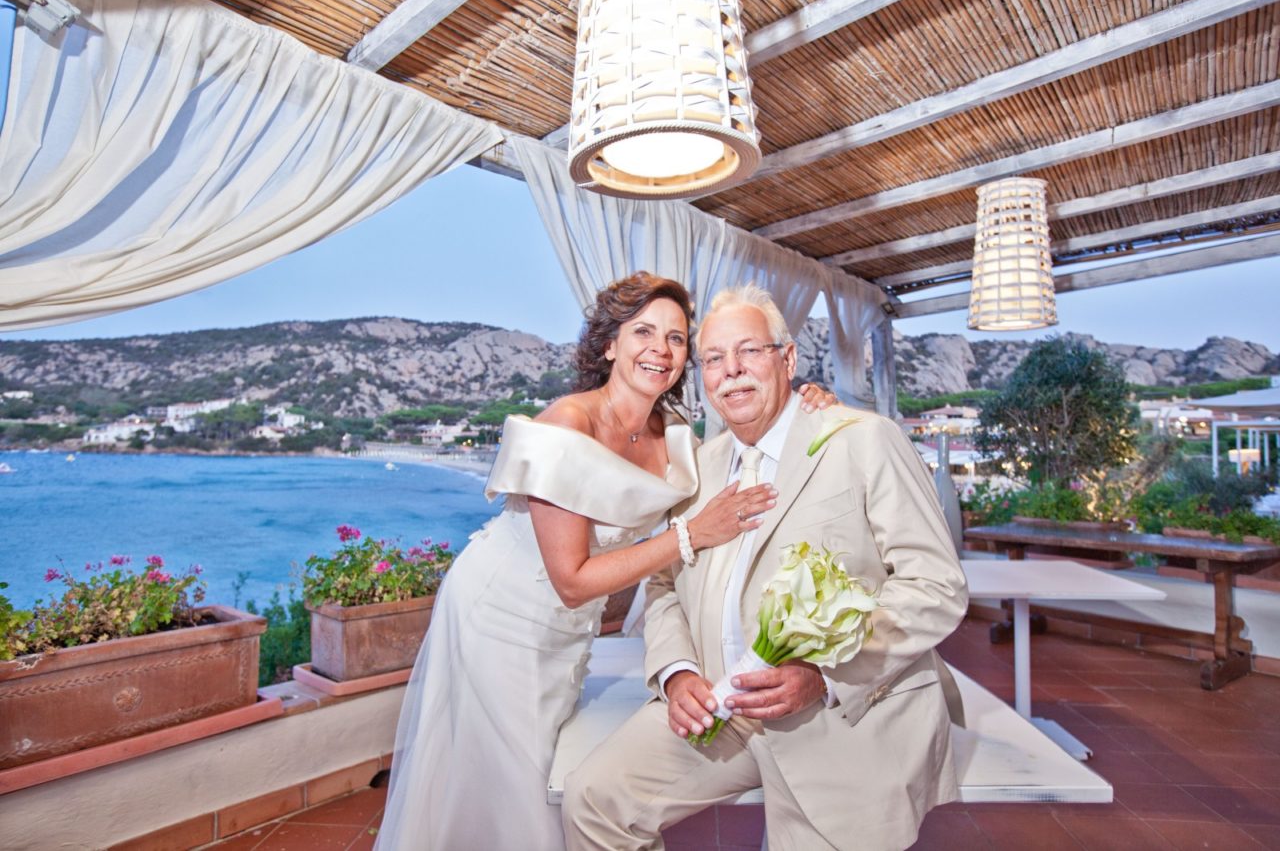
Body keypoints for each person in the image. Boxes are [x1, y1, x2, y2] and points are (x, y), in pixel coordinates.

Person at [375, 273, 833, 850]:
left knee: (547, 767)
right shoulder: (567, 426)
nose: (660, 350)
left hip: (569, 633)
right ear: (610, 344)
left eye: (675, 339)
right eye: (643, 331)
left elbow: (751, 424)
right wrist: (692, 534)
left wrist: (808, 403)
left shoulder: (675, 435)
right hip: (500, 617)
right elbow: (571, 580)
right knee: (507, 780)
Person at [562, 285, 969, 851]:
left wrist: (824, 674)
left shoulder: (864, 440)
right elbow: (662, 582)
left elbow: (937, 587)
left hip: (837, 716)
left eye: (750, 351)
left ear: (789, 358)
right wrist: (678, 672)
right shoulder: (695, 467)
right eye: (713, 359)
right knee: (593, 801)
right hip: (720, 711)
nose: (732, 371)